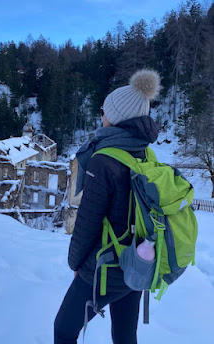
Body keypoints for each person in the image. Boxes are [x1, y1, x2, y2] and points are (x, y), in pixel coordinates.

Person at [54, 69, 161, 344]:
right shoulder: (144, 152)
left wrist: (75, 264)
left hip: (104, 267)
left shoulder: (104, 160)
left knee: (64, 329)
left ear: (118, 117)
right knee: (125, 335)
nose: (102, 116)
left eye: (106, 111)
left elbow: (87, 222)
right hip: (138, 261)